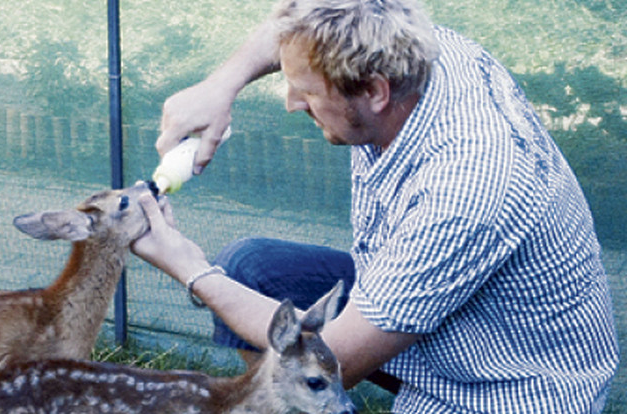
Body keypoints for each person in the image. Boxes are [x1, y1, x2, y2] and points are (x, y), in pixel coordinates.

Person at [131, 0, 620, 412]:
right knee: (249, 268)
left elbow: (328, 358)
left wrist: (189, 267)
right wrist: (224, 83)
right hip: (439, 310)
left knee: (282, 337)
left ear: (373, 91)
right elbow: (304, 19)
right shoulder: (412, 46)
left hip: (504, 385)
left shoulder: (465, 190)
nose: (290, 102)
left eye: (307, 91)